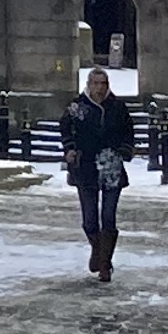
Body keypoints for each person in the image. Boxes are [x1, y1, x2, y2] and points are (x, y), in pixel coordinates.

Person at [59, 66, 135, 280]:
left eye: (103, 84)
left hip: (111, 167)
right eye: (96, 83)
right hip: (86, 168)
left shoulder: (118, 107)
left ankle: (104, 264)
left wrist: (124, 151)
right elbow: (65, 128)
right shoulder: (77, 106)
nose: (100, 88)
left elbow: (129, 132)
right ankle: (97, 249)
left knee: (108, 216)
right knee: (90, 220)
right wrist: (70, 149)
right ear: (89, 85)